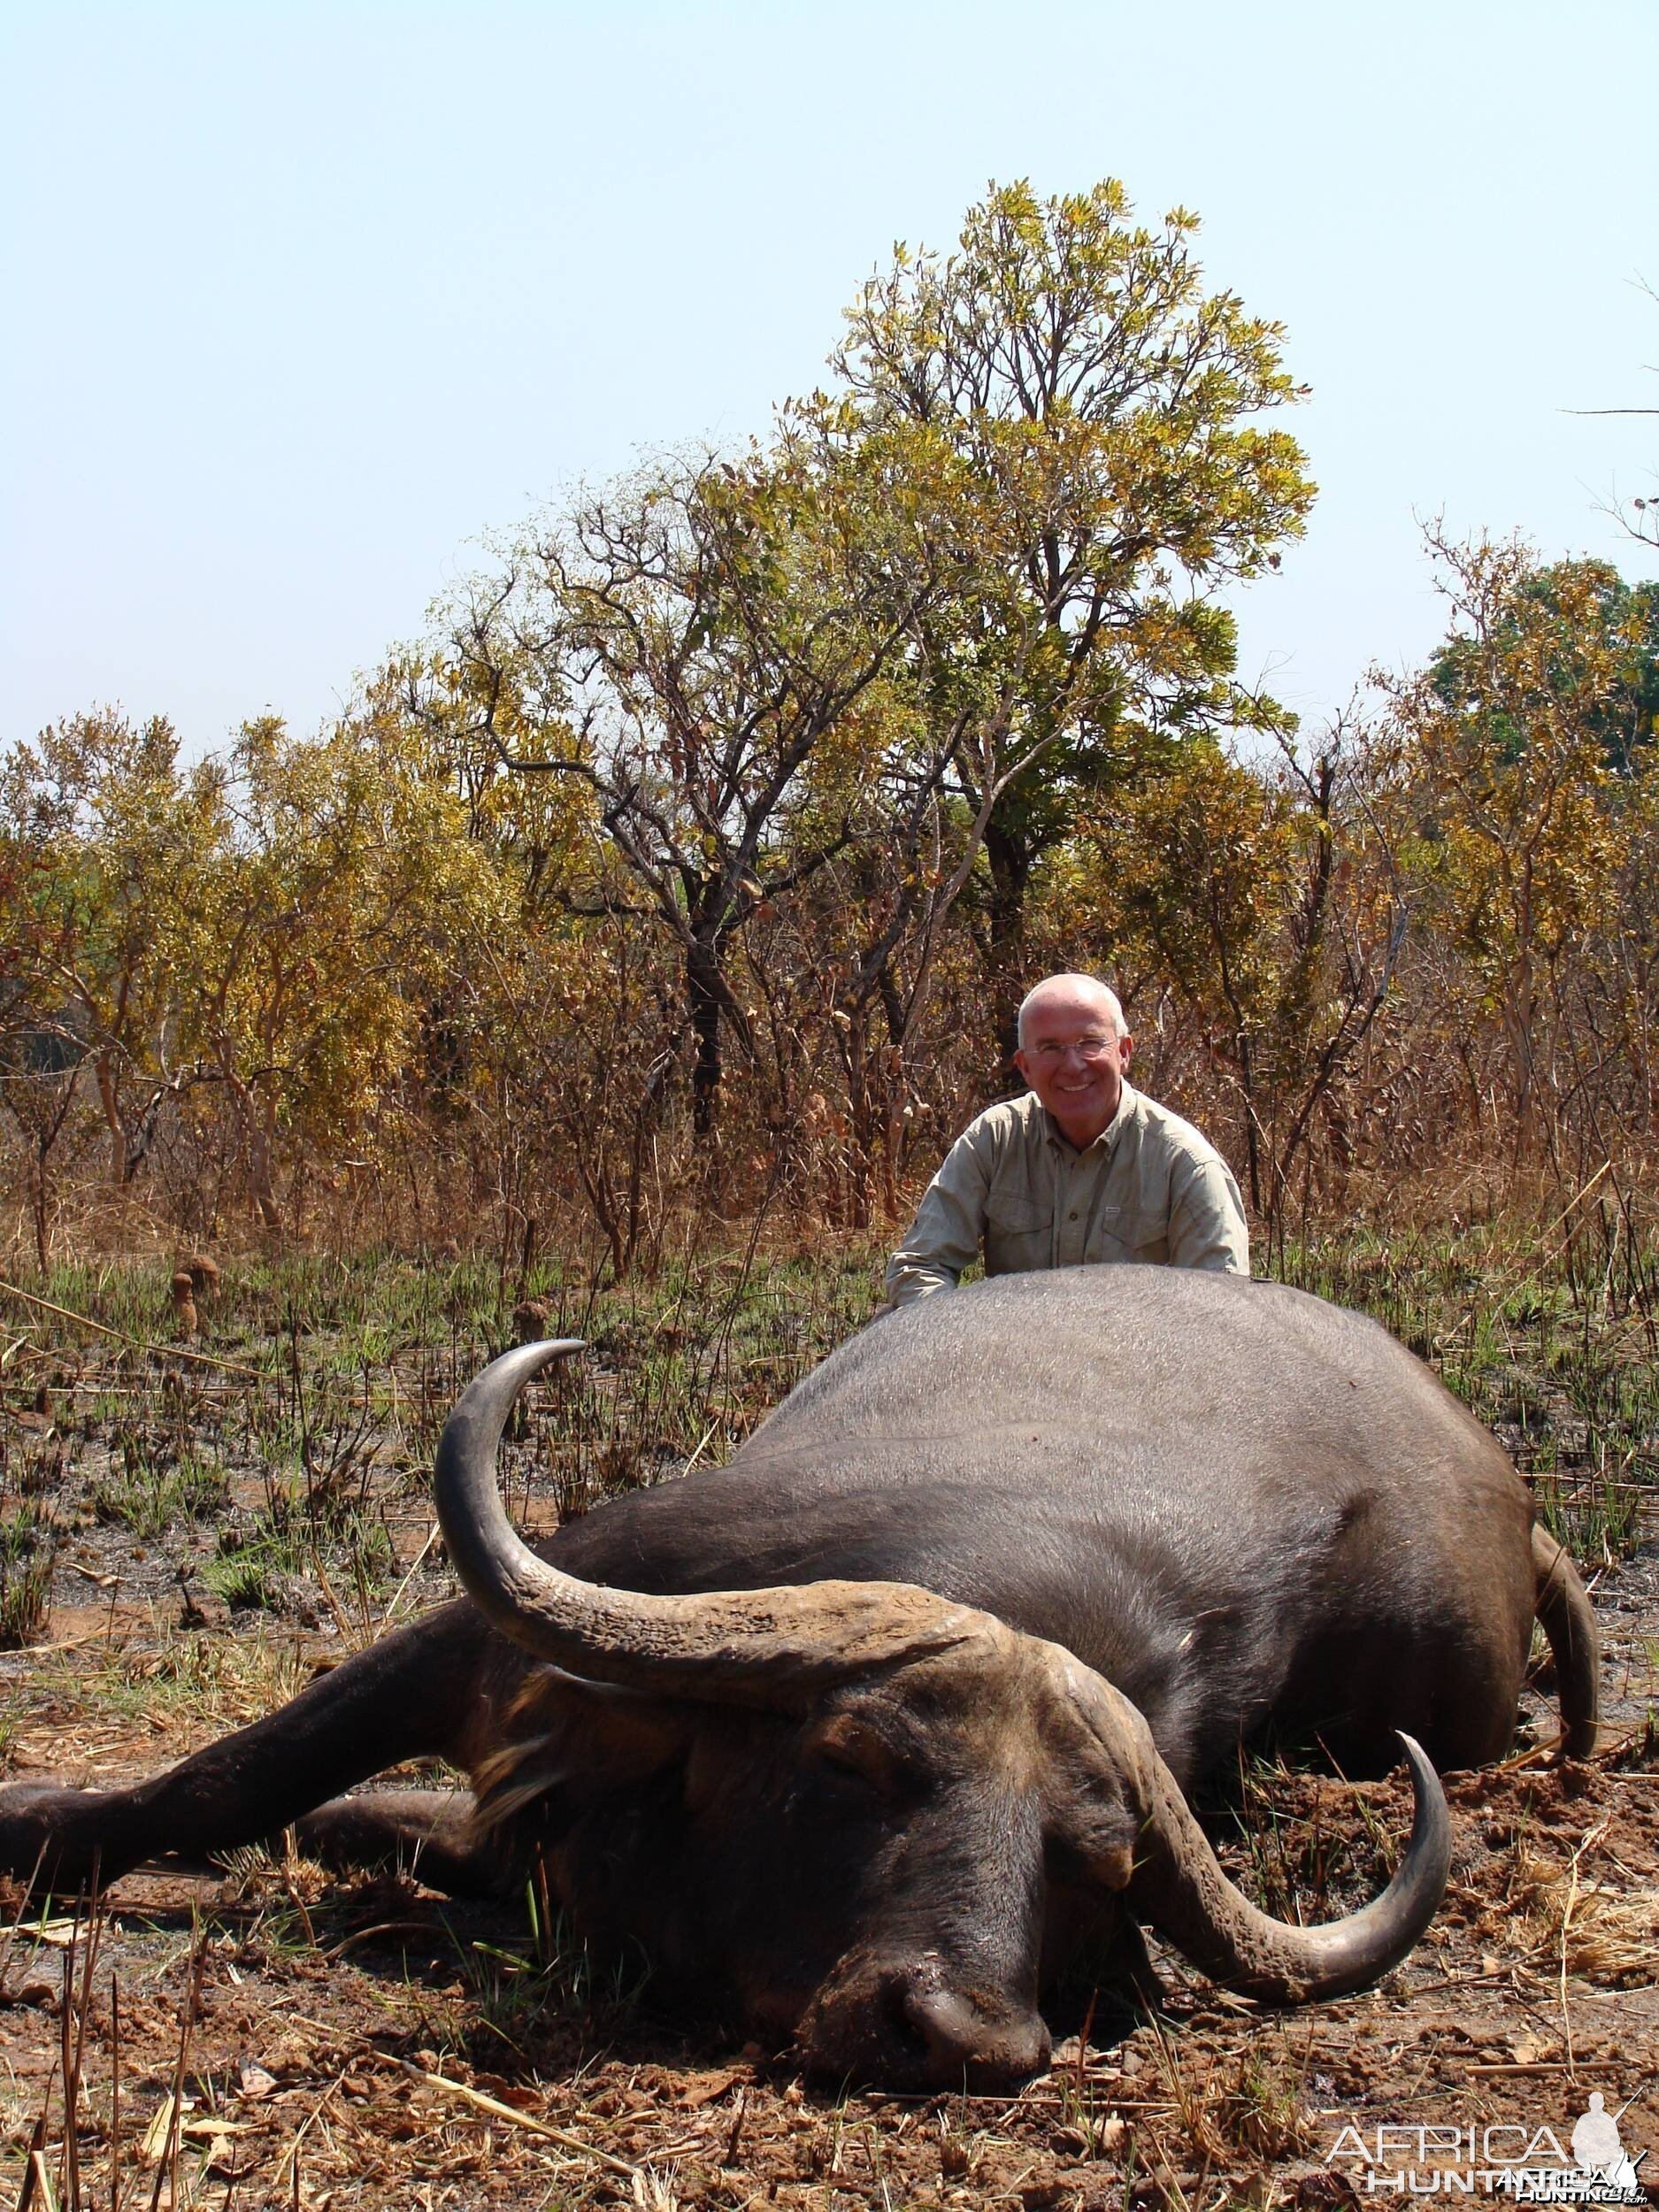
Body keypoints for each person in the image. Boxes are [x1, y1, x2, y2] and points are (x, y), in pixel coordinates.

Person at [885, 972, 1248, 1307]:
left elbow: (1219, 1310)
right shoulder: (994, 1139)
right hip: (1011, 1356)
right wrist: (968, 1342)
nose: (1073, 1065)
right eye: (1051, 1048)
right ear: (1024, 1066)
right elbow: (919, 1267)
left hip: (1138, 1368)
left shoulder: (1186, 1164)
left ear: (1124, 1052)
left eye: (1090, 1043)